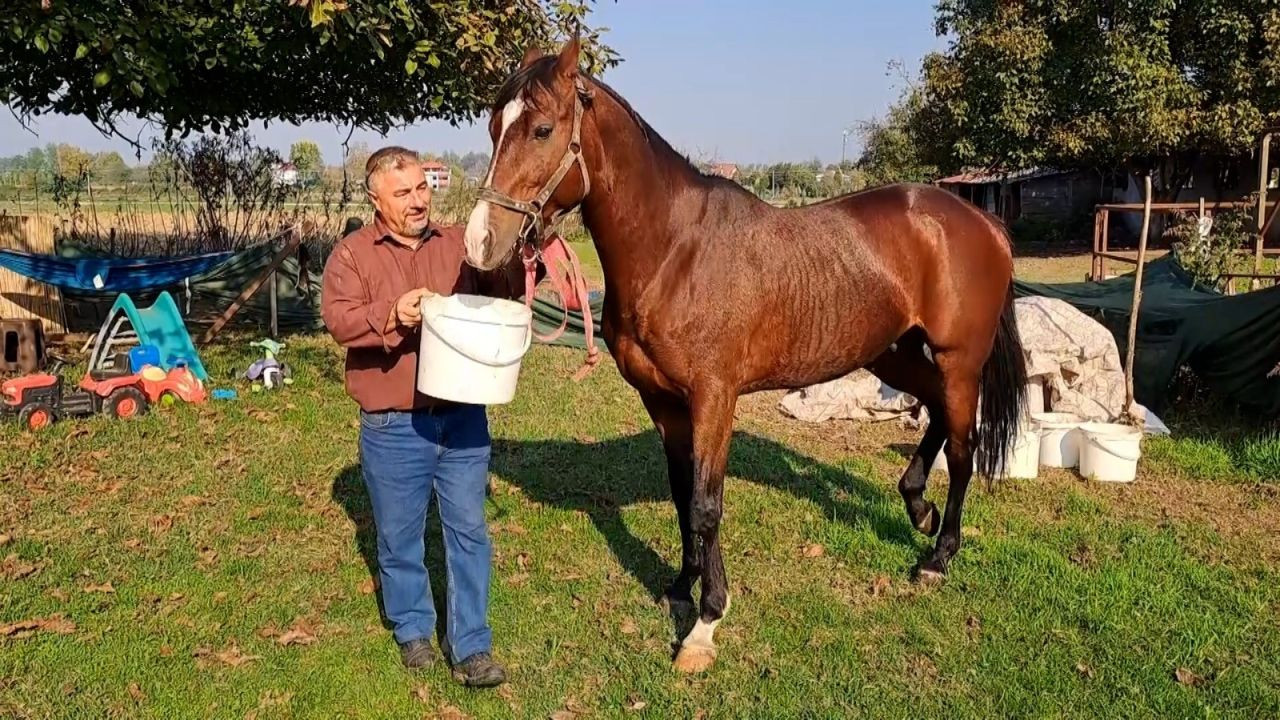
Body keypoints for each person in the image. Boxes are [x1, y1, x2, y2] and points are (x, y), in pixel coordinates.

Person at [321, 146, 525, 687]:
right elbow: (340, 321)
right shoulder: (353, 254)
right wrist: (390, 313)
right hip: (393, 426)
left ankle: (472, 645)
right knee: (400, 536)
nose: (417, 201)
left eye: (422, 188)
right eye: (403, 192)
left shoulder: (459, 243)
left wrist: (513, 259)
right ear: (375, 198)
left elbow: (502, 292)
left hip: (462, 417)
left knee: (469, 531)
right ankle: (413, 628)